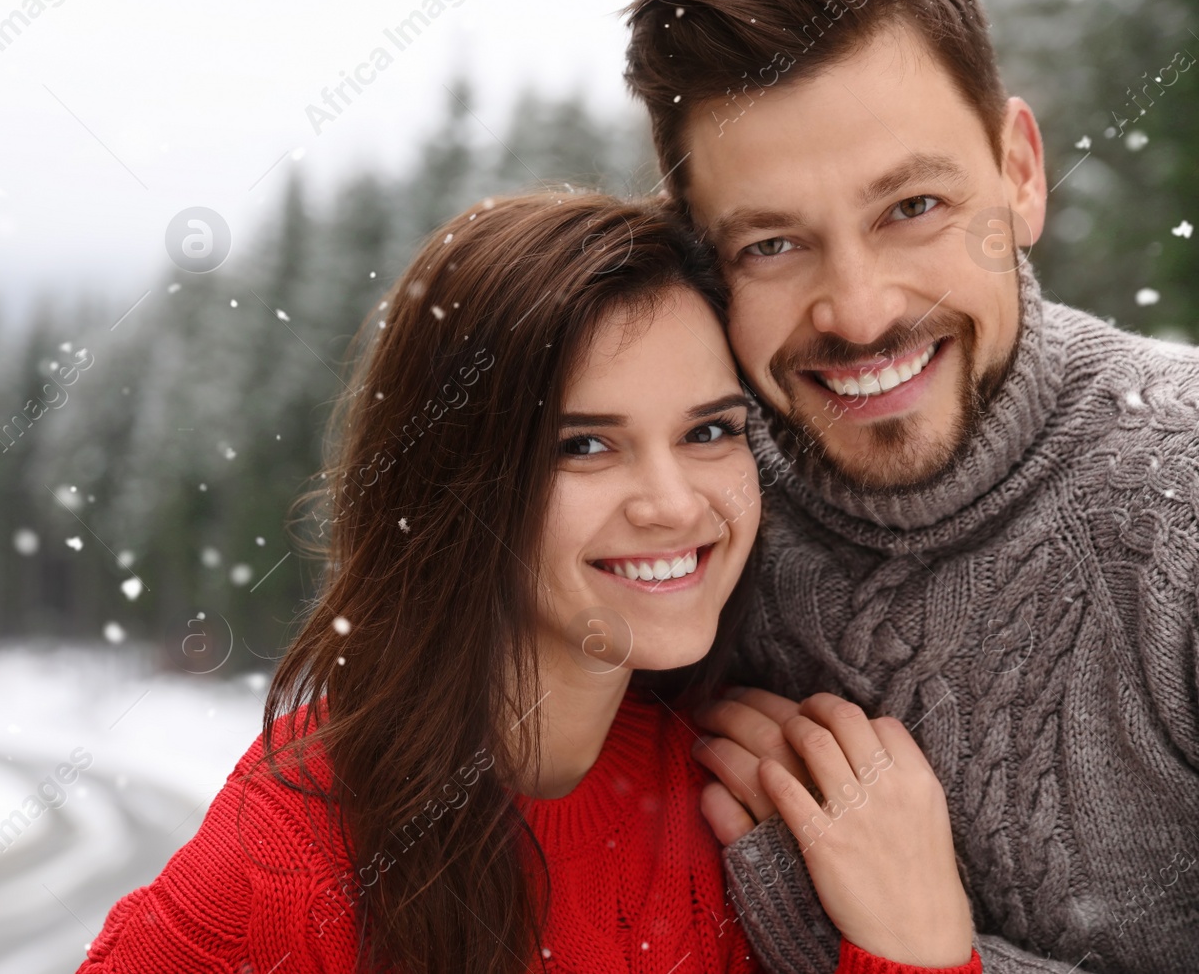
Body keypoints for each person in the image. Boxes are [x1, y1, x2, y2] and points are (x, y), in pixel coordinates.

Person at [75, 194, 983, 972]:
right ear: (455, 483)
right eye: (585, 445)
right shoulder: (296, 855)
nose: (674, 505)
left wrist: (915, 934)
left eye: (709, 431)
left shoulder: (744, 808)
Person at [622, 0, 1199, 973]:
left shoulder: (1183, 508)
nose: (855, 309)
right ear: (706, 262)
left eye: (912, 205)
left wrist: (914, 950)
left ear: (1019, 171)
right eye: (773, 241)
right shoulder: (675, 526)